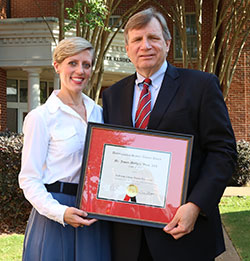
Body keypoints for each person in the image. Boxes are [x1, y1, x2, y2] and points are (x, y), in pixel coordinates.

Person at [102, 7, 237, 261]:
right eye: (137, 40)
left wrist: (196, 206)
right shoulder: (112, 95)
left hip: (184, 233)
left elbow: (223, 151)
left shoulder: (201, 86)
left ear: (167, 43)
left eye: (153, 38)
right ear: (128, 49)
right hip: (128, 238)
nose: (145, 46)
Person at [19, 37, 111, 261]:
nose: (80, 70)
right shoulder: (41, 117)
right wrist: (60, 212)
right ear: (57, 65)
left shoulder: (100, 113)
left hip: (93, 214)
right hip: (55, 216)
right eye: (73, 63)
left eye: (86, 64)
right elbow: (29, 179)